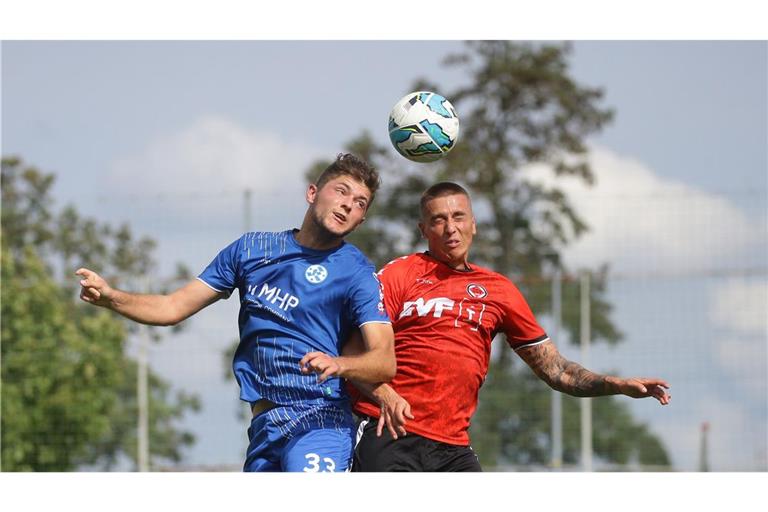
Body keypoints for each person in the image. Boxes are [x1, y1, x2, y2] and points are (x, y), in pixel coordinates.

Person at [76, 153, 396, 472]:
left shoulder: (356, 272)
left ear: (360, 221)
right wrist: (111, 297)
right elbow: (172, 307)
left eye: (360, 203)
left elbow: (384, 361)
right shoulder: (252, 250)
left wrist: (339, 365)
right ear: (312, 193)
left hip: (320, 420)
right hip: (264, 425)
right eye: (341, 191)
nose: (347, 205)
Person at [348, 181, 671, 472]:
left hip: (452, 448)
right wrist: (386, 396)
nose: (450, 228)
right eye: (438, 220)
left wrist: (614, 384)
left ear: (473, 225)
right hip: (389, 432)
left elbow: (557, 370)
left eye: (459, 217)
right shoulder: (400, 274)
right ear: (423, 230)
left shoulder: (499, 290)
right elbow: (352, 352)